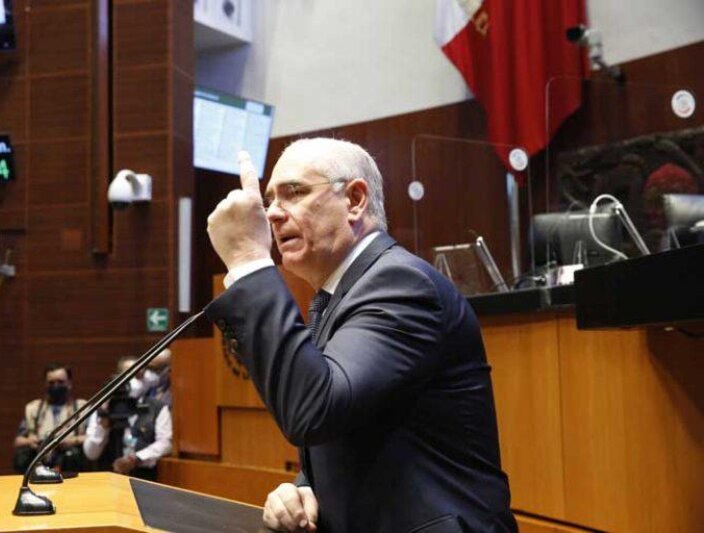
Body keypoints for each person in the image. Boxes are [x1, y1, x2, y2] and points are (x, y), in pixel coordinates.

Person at [205, 139, 516, 532]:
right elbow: (355, 425)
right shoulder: (340, 296)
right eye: (270, 200)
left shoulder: (401, 284)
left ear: (354, 200)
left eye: (295, 192)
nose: (273, 215)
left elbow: (313, 410)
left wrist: (249, 261)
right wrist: (304, 488)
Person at [83, 356, 172, 481]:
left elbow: (166, 443)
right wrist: (103, 426)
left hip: (143, 479)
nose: (133, 380)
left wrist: (135, 459)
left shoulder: (157, 407)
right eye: (128, 374)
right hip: (107, 480)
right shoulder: (102, 407)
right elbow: (91, 453)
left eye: (138, 375)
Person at [13, 363, 86, 474]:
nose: (56, 386)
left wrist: (72, 441)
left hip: (70, 466)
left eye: (60, 382)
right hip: (40, 466)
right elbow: (18, 441)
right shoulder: (34, 408)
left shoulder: (82, 407)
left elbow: (94, 439)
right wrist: (30, 441)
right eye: (51, 383)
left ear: (69, 383)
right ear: (45, 384)